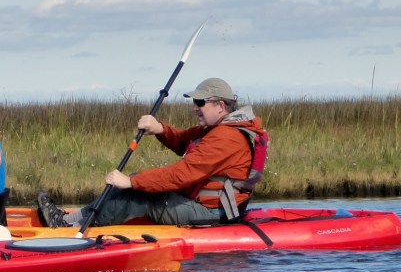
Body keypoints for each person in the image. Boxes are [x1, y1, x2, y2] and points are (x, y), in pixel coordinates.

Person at [39, 78, 267, 228]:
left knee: (139, 193)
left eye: (200, 102)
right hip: (202, 204)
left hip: (212, 213)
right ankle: (72, 219)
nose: (194, 107)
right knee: (137, 184)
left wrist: (131, 182)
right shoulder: (218, 129)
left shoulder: (226, 138)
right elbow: (183, 141)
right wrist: (160, 129)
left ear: (220, 106)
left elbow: (182, 175)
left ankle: (74, 227)